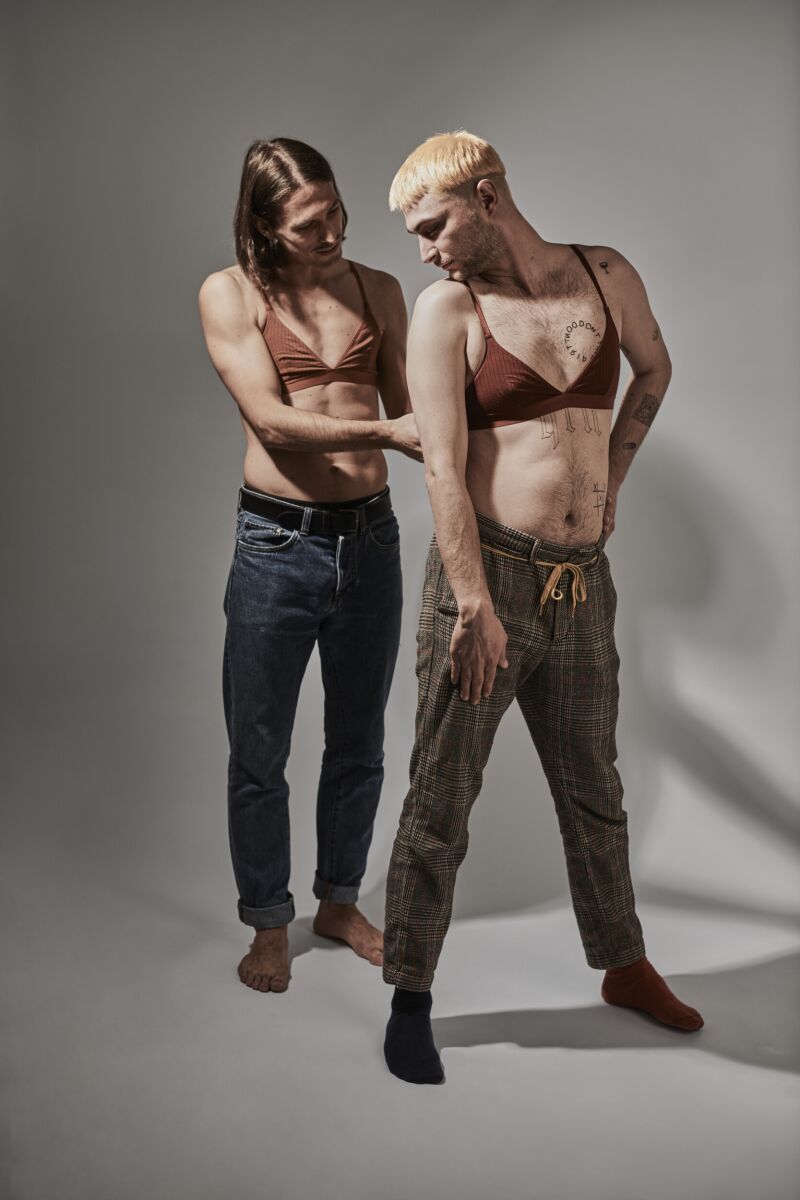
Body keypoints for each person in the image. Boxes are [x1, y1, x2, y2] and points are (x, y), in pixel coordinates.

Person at [380, 131, 703, 1084]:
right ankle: (409, 997)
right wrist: (472, 605)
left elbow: (655, 369)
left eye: (433, 227)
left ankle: (623, 964)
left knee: (595, 788)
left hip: (582, 582)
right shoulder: (448, 312)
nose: (425, 251)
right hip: (490, 581)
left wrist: (614, 478)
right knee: (442, 794)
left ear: (487, 196)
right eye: (415, 236)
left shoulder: (604, 276)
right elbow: (442, 467)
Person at [198, 138, 420, 994]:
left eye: (336, 211)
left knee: (360, 742)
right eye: (308, 224)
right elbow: (271, 420)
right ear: (264, 226)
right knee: (259, 750)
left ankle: (337, 902)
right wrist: (387, 434)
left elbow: (417, 411)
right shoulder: (230, 293)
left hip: (372, 541)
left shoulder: (379, 289)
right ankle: (268, 922)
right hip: (276, 545)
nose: (332, 232)